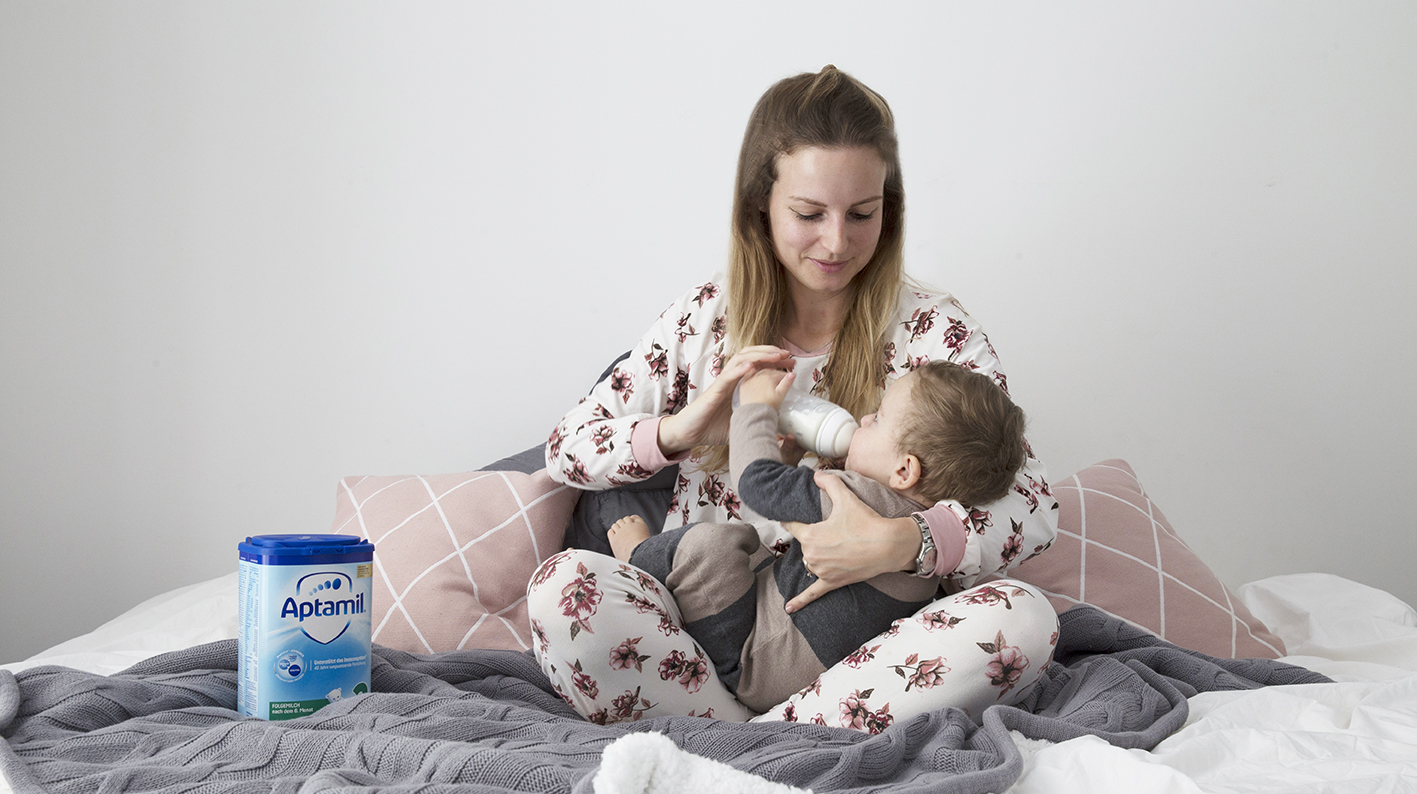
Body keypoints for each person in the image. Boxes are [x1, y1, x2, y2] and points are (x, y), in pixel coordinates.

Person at [526, 65, 1060, 730]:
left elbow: (1032, 504)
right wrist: (679, 430)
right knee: (562, 589)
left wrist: (901, 541)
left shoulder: (933, 332)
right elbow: (566, 449)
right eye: (809, 214)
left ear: (889, 209)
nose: (836, 241)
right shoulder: (705, 319)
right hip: (700, 638)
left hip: (859, 661)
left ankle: (738, 742)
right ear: (761, 204)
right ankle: (782, 739)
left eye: (861, 214)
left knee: (1023, 620)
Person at [602, 360, 1029, 714]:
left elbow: (755, 483)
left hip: (752, 662)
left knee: (710, 546)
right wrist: (786, 468)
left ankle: (638, 560)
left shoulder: (856, 497)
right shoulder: (929, 550)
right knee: (748, 546)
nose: (864, 419)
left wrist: (755, 409)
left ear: (904, 470)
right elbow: (782, 506)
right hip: (786, 667)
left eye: (878, 418)